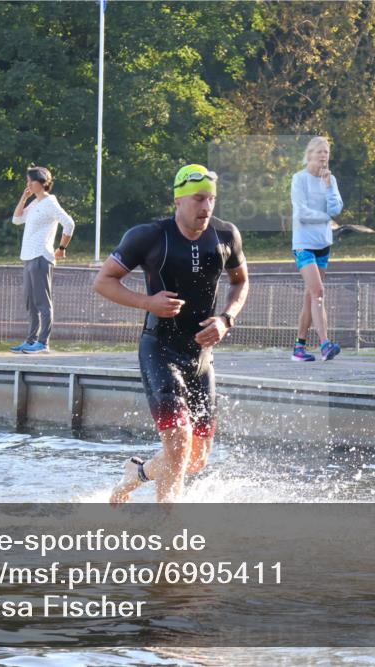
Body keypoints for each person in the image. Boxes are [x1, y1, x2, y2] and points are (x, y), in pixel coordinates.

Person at [94, 164, 248, 504]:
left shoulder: (225, 235)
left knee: (196, 458)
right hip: (160, 349)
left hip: (201, 358)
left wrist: (226, 319)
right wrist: (147, 301)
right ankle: (170, 532)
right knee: (178, 442)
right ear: (178, 200)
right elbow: (103, 281)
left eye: (211, 199)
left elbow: (240, 281)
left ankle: (139, 473)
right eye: (198, 199)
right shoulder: (148, 236)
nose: (206, 207)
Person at [10, 165, 75, 354]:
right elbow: (16, 219)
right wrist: (24, 198)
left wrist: (61, 248)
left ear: (41, 182)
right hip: (28, 257)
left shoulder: (50, 202)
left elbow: (69, 223)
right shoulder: (36, 203)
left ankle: (43, 342)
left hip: (41, 257)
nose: (28, 183)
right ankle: (30, 341)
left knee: (42, 302)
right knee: (30, 302)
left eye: (31, 180)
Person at [290, 136, 344, 361]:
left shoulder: (330, 179)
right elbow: (302, 213)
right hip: (304, 245)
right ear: (310, 154)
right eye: (320, 151)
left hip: (323, 244)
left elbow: (337, 208)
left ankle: (299, 349)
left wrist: (330, 187)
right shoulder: (299, 179)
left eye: (327, 152)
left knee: (311, 296)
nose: (324, 156)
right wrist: (325, 218)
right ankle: (324, 344)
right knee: (318, 293)